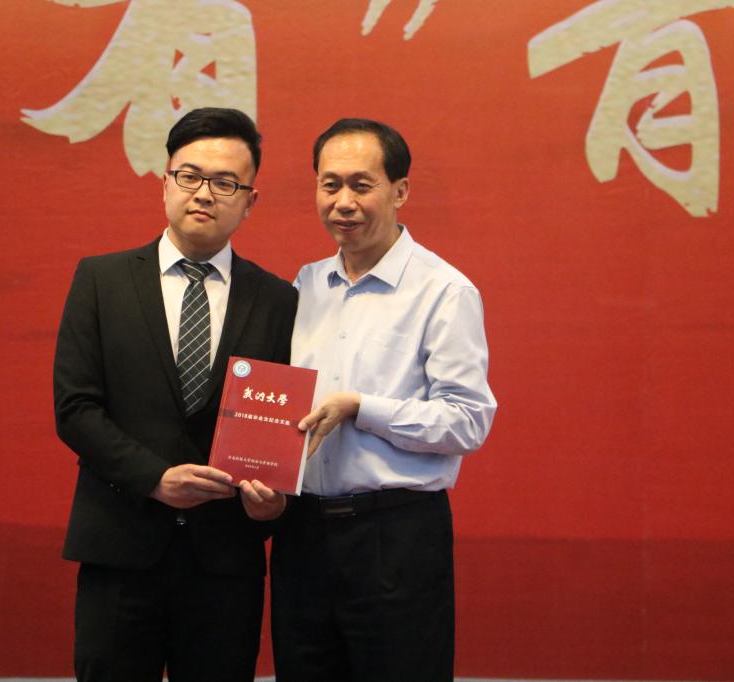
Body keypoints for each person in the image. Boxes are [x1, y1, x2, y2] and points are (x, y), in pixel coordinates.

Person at [53, 107, 296, 681]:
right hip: (121, 548)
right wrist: (155, 479)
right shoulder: (101, 280)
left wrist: (275, 503)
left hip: (224, 564)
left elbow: (284, 422)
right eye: (189, 176)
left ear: (250, 201)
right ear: (165, 182)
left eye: (225, 183)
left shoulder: (278, 300)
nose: (204, 193)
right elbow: (76, 409)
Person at [268, 118, 498, 682]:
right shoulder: (303, 285)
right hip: (303, 533)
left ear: (400, 191)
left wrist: (360, 407)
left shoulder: (444, 291)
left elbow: (467, 421)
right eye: (329, 185)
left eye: (361, 185)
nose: (343, 202)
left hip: (395, 536)